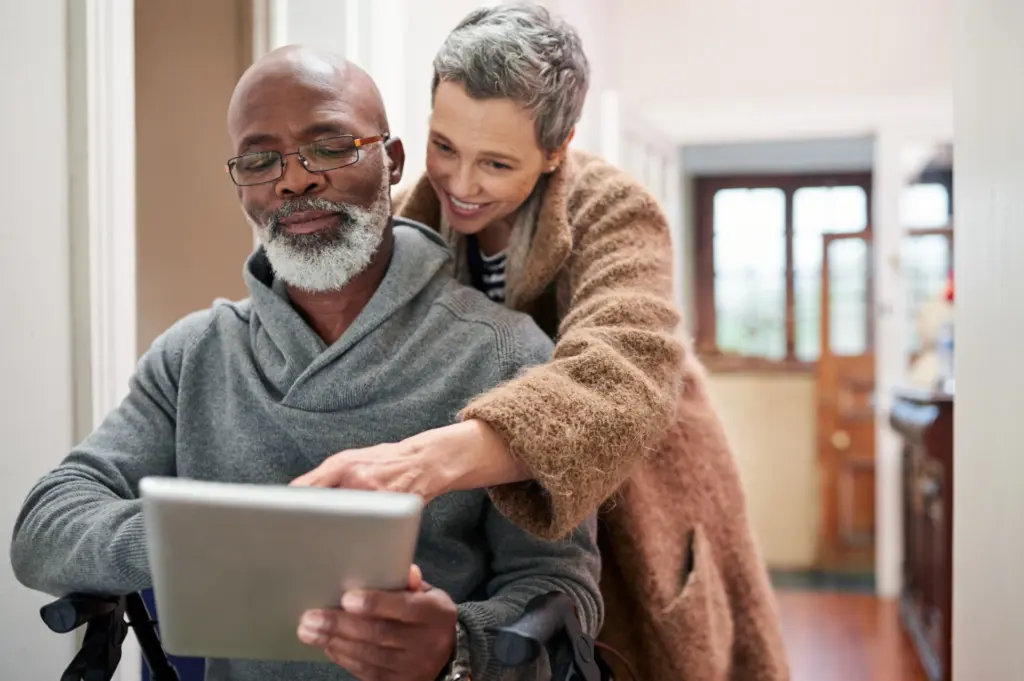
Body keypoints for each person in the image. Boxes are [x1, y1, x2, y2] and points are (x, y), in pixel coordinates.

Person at [9, 45, 602, 681]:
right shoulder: (196, 354)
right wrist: (209, 541)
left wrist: (458, 648)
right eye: (260, 160)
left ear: (393, 160)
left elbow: (564, 591)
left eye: (330, 147)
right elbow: (46, 525)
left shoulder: (505, 353)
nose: (293, 181)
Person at [291, 5, 790, 681]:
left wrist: (427, 461)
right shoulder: (411, 219)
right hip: (505, 539)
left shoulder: (614, 210)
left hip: (641, 506)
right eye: (445, 146)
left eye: (497, 163)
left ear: (558, 149)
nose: (462, 185)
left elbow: (621, 374)